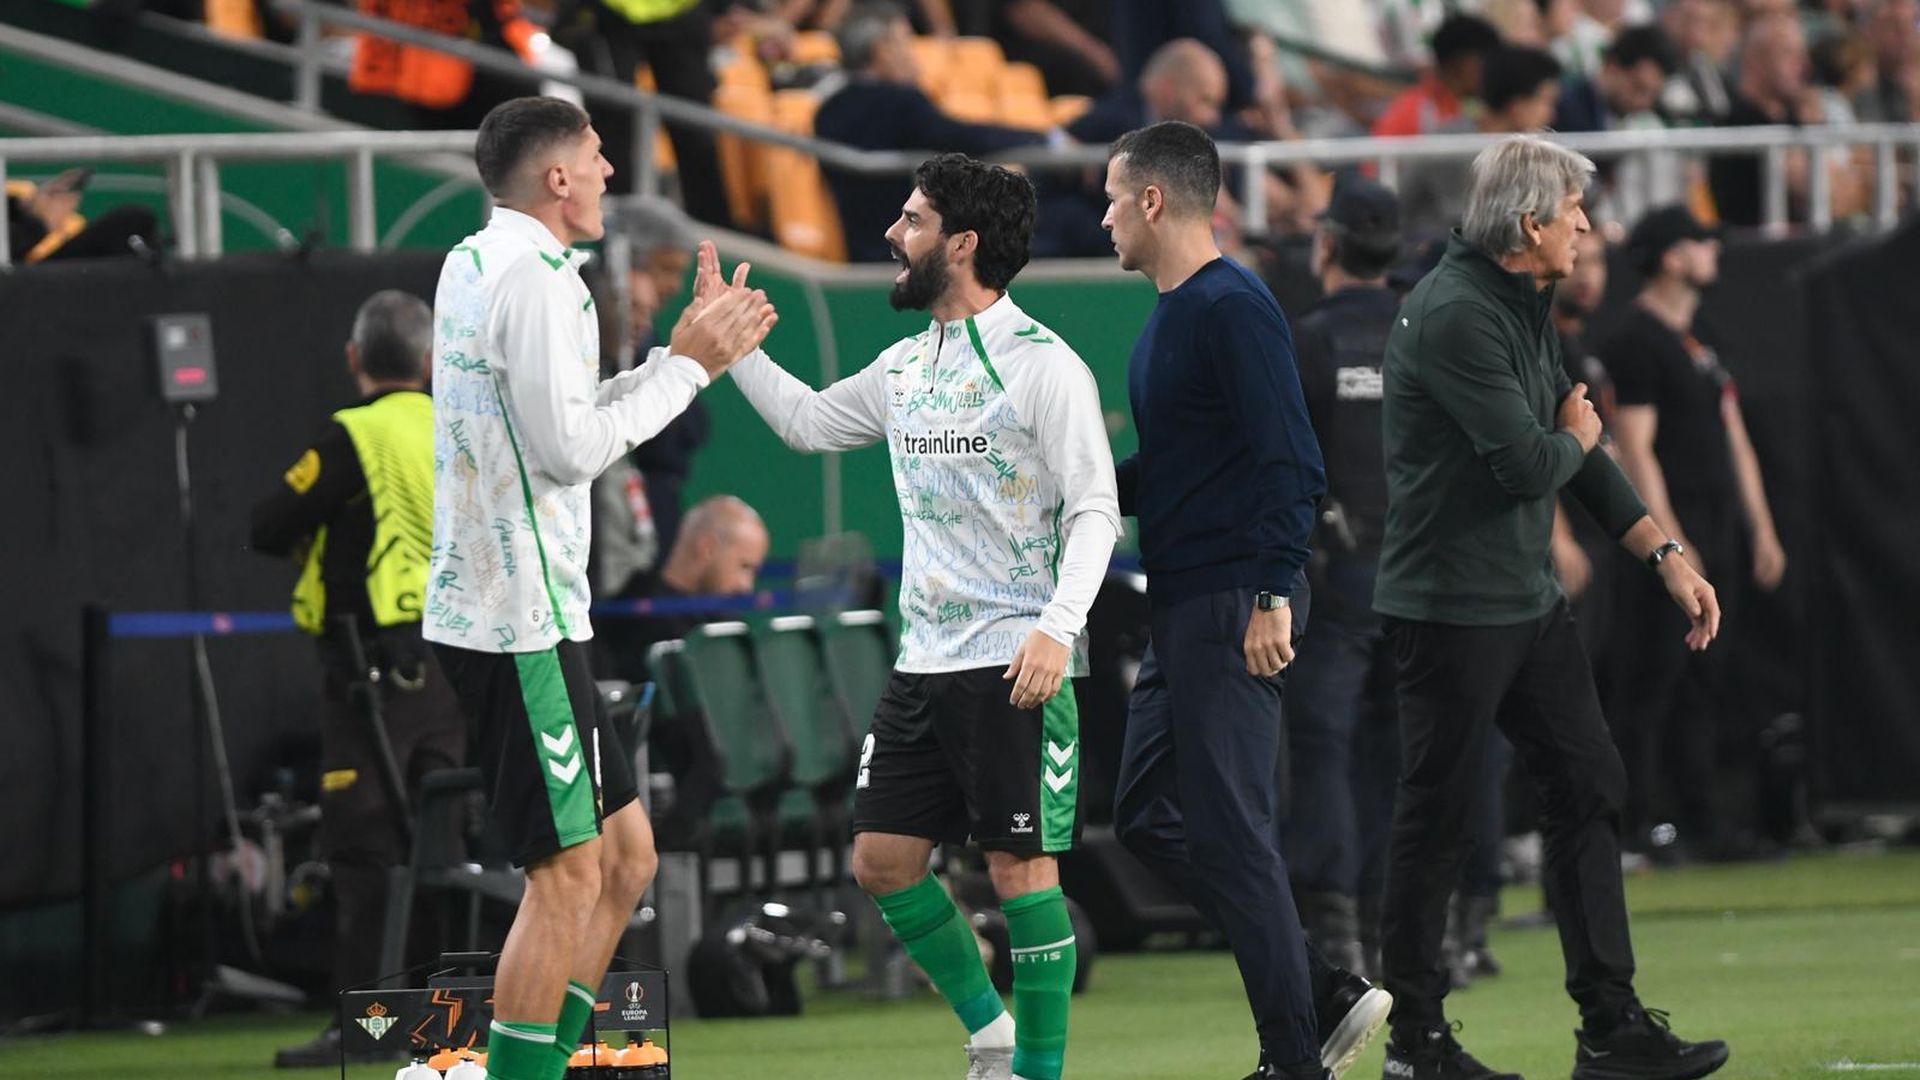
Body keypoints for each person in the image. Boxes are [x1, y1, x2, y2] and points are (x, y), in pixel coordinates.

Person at [719, 153, 1115, 1080]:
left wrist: (1058, 626)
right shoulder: (907, 365)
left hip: (1018, 654)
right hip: (923, 660)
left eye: (911, 220)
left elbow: (1095, 506)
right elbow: (811, 424)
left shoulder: (1044, 365)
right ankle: (991, 1035)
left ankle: (1038, 1074)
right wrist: (733, 349)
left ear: (962, 243)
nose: (894, 236)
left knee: (1022, 872)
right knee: (883, 863)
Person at [424, 96, 775, 1080]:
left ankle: (555, 1064)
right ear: (557, 178)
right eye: (596, 154)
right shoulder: (537, 282)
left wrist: (680, 360)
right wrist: (691, 372)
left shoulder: (473, 261)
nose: (612, 171)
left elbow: (563, 419)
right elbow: (570, 447)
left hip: (520, 609)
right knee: (572, 873)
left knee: (626, 863)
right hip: (517, 618)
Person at [1372, 133, 1730, 1080]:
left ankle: (1610, 1028)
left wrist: (1665, 556)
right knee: (1438, 819)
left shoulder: (1521, 299)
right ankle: (1415, 1044)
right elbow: (1536, 460)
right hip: (1449, 608)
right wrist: (1574, 437)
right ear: (1529, 225)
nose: (1587, 224)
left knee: (1587, 785)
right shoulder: (1455, 312)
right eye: (1574, 210)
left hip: (1522, 602)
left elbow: (1577, 450)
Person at [1100, 120, 1390, 1080]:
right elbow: (1180, 466)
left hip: (1234, 598)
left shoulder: (1233, 307)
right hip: (1183, 600)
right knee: (1147, 816)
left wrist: (1274, 590)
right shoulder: (1173, 316)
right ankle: (1318, 988)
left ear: (1153, 200)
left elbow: (1294, 463)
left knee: (1232, 828)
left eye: (1111, 197)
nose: (1102, 216)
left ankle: (1292, 1057)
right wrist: (1084, 483)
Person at [251, 291, 467, 1070]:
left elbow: (268, 525)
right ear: (433, 362)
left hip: (372, 675)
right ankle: (453, 1020)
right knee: (446, 846)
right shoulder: (459, 424)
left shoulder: (354, 435)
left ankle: (369, 1028)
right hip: (459, 664)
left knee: (364, 847)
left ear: (355, 360)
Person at [1602, 205, 1786, 860]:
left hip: (1717, 524)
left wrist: (1760, 527)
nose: (1713, 251)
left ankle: (1705, 818)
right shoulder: (1636, 340)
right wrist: (1669, 546)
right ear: (1671, 256)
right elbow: (1637, 447)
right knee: (1654, 680)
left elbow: (1734, 436)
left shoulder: (1700, 336)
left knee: (1709, 679)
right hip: (1669, 532)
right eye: (1700, 241)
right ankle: (1639, 826)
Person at [1281, 177, 1404, 980]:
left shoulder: (1311, 339)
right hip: (1426, 574)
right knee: (1402, 752)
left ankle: (1336, 932)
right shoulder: (1424, 332)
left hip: (1342, 575)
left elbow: (1287, 458)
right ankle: (1409, 928)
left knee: (1325, 744)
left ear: (1326, 243)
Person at [815, 2, 1052, 263]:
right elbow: (964, 138)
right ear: (882, 52)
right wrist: (1042, 138)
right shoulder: (900, 103)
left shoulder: (826, 112)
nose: (913, 55)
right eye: (906, 43)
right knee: (1068, 222)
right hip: (923, 255)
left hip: (863, 250)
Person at [1399, 44, 1565, 238]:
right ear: (1516, 105)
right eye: (1546, 101)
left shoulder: (1530, 147)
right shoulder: (1454, 148)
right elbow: (1466, 227)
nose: (1551, 115)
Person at [584, 0, 730, 220]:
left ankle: (711, 224)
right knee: (613, 125)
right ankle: (613, 219)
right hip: (611, 15)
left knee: (695, 128)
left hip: (682, 13)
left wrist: (722, 8)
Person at [1371, 14, 1502, 137]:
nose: (1494, 70)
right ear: (1462, 64)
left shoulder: (1446, 105)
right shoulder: (1426, 112)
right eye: (1487, 61)